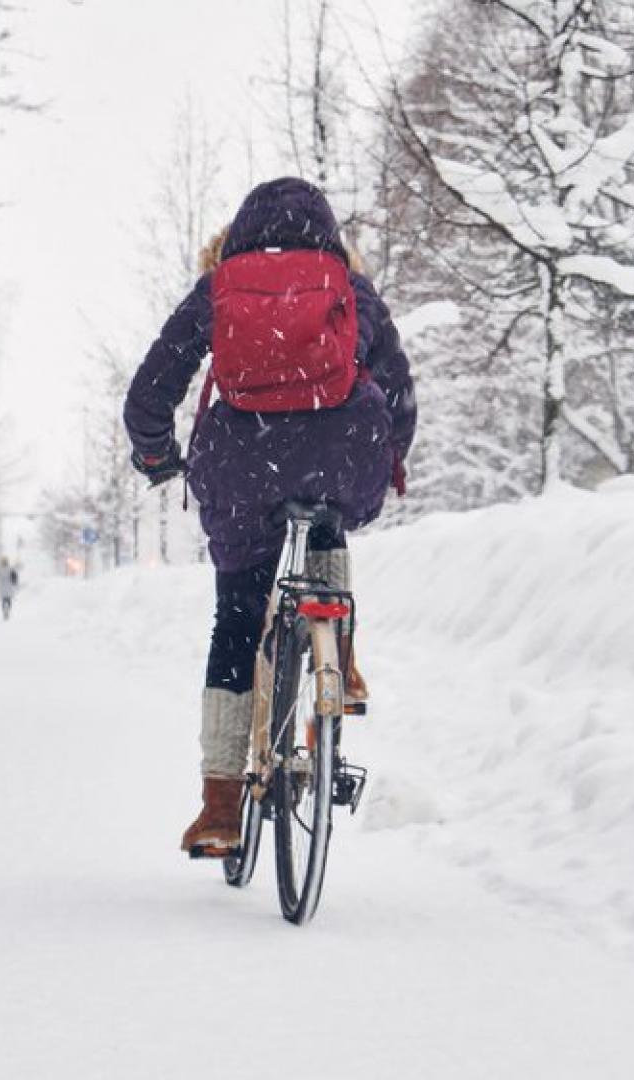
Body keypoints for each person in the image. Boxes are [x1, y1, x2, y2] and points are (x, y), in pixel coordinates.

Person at [123, 177, 417, 858]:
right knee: (328, 505)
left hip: (243, 458)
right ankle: (335, 658)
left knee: (236, 616)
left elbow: (152, 389)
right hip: (341, 449)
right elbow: (399, 388)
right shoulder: (347, 285)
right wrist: (385, 455)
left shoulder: (221, 287)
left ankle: (221, 805)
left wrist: (158, 455)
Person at [0, 557, 19, 621]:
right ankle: (8, 610)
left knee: (3, 600)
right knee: (9, 600)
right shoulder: (11, 569)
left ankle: (4, 611)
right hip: (9, 587)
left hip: (2, 587)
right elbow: (15, 577)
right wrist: (15, 584)